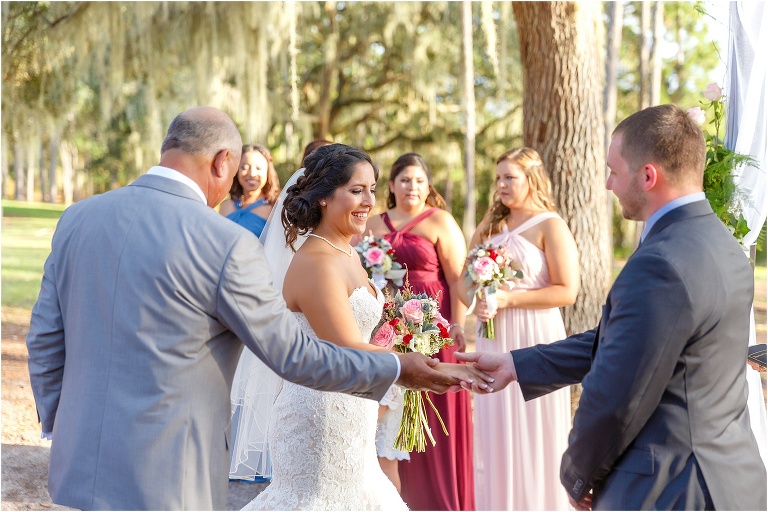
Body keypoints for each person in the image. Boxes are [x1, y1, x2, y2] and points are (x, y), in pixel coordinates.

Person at [25, 107, 490, 511]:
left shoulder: (78, 218)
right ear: (223, 160)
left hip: (79, 459)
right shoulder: (222, 241)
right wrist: (395, 368)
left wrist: (61, 423)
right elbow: (292, 355)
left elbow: (45, 337)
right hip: (171, 471)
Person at [457, 104, 768, 510]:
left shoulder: (662, 262)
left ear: (648, 176)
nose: (607, 184)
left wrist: (577, 472)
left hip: (669, 488)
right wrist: (518, 364)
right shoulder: (724, 244)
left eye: (613, 171)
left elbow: (616, 396)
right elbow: (626, 340)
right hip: (732, 477)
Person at [237, 144, 486, 510]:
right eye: (356, 190)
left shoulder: (348, 253)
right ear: (324, 197)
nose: (369, 200)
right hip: (321, 416)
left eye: (372, 189)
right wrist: (429, 367)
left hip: (355, 409)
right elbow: (347, 350)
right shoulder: (316, 262)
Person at [461, 147, 579, 510]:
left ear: (532, 179)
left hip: (535, 335)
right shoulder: (489, 227)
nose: (501, 185)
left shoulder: (550, 224)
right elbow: (465, 283)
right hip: (493, 333)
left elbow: (567, 290)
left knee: (535, 429)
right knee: (496, 426)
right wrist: (477, 299)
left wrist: (509, 299)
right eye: (498, 178)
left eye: (510, 177)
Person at [365, 153, 474, 511]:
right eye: (405, 180)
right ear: (392, 185)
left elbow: (457, 278)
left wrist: (457, 323)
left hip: (430, 328)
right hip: (385, 327)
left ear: (429, 187)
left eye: (420, 181)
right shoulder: (374, 223)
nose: (412, 187)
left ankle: (438, 500)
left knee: (432, 405)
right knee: (388, 419)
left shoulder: (440, 221)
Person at [218, 143, 280, 237]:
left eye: (258, 168)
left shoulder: (275, 208)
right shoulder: (226, 205)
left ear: (267, 171)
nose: (252, 174)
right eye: (245, 167)